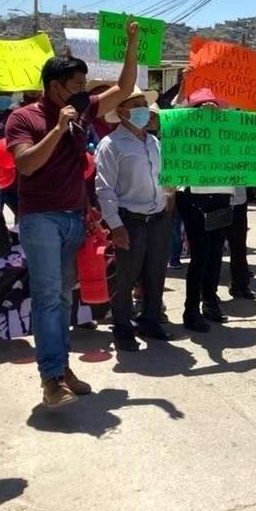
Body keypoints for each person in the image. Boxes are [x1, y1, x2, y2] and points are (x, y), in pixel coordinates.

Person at [5, 18, 140, 408]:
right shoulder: (23, 118)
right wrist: (57, 129)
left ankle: (61, 369)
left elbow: (124, 88)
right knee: (48, 296)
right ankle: (50, 379)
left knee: (63, 298)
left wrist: (131, 43)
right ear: (54, 88)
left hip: (72, 218)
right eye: (77, 87)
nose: (84, 93)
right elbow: (26, 165)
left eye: (84, 87)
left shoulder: (83, 111)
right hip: (40, 219)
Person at [95, 87, 175, 352]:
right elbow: (104, 189)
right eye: (137, 104)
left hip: (158, 217)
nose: (143, 110)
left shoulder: (154, 143)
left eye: (144, 104)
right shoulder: (111, 145)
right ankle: (122, 328)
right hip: (130, 220)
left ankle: (150, 319)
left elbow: (165, 177)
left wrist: (172, 188)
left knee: (155, 273)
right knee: (126, 277)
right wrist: (115, 225)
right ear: (121, 111)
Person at [170, 89, 234, 332]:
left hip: (220, 198)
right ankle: (191, 309)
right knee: (200, 256)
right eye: (202, 106)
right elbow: (173, 121)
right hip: (193, 199)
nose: (209, 110)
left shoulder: (225, 133)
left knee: (216, 254)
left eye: (213, 106)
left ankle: (210, 300)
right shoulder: (185, 132)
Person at [227, 184, 254, 299]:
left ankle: (240, 285)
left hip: (239, 202)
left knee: (239, 247)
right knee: (214, 249)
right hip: (217, 199)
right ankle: (208, 292)